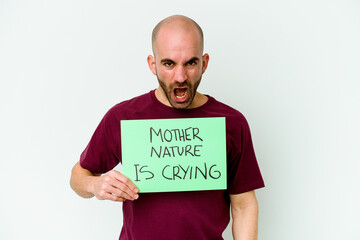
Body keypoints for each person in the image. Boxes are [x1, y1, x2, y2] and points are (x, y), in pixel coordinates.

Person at [70, 15, 265, 240]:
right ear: (153, 64)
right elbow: (78, 176)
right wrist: (95, 184)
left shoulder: (231, 123)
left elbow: (243, 205)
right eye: (169, 64)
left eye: (191, 63)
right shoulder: (123, 117)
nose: (180, 76)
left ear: (205, 63)